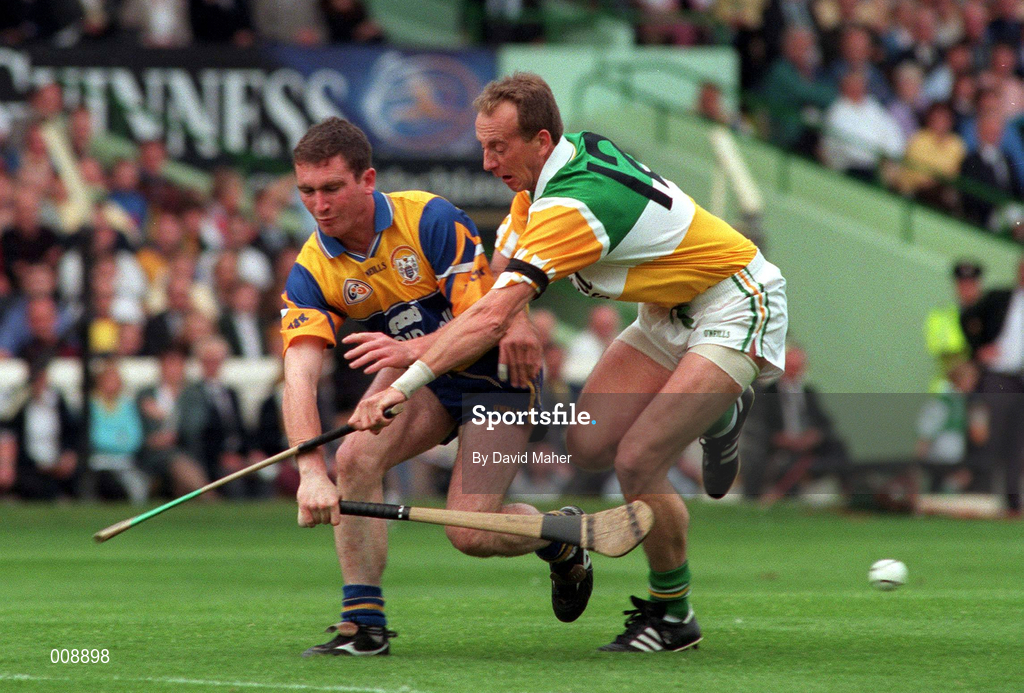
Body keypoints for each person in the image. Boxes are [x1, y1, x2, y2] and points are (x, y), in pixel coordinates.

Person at [351, 73, 789, 652]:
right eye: (483, 146)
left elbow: (488, 314)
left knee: (636, 461)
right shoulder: (549, 170)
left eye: (498, 148)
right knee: (587, 446)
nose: (487, 162)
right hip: (666, 311)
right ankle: (718, 416)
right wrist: (521, 317)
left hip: (736, 301)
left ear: (538, 140)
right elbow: (503, 265)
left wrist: (405, 377)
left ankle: (672, 613)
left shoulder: (571, 207)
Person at [280, 117, 591, 657]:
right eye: (307, 190)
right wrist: (310, 471)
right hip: (422, 383)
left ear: (367, 179)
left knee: (469, 533)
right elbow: (298, 378)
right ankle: (364, 626)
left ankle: (560, 537)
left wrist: (403, 361)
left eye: (332, 188)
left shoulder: (429, 218)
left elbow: (481, 327)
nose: (319, 204)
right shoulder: (312, 269)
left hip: (497, 376)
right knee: (353, 458)